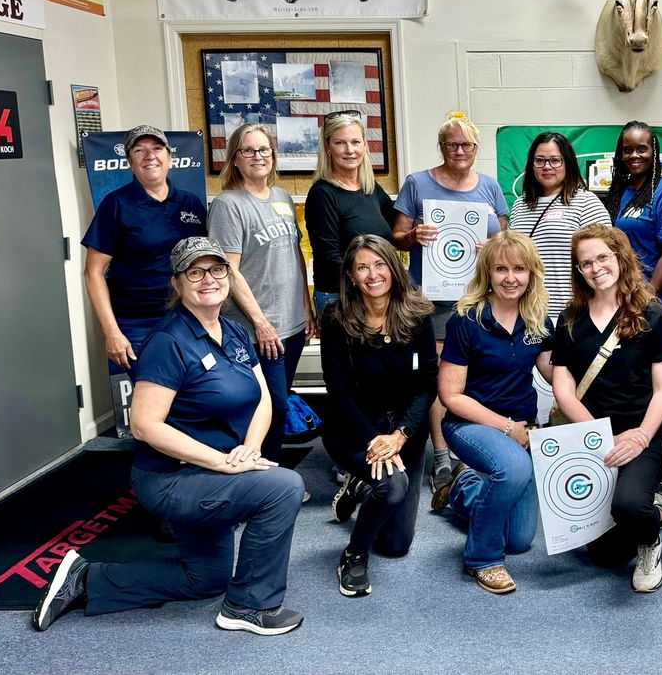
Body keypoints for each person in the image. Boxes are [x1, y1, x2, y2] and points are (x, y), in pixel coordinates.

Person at [34, 237, 305, 635]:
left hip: (216, 471)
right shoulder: (168, 341)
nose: (208, 279)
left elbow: (263, 397)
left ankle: (86, 580)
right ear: (177, 284)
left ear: (228, 277)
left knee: (206, 580)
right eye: (195, 272)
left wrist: (248, 449)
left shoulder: (232, 330)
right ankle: (248, 607)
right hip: (172, 478)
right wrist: (222, 462)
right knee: (283, 487)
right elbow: (145, 424)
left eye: (217, 269)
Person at [550, 224, 662, 592]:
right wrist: (597, 435)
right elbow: (563, 386)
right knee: (606, 555)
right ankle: (658, 507)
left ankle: (651, 540)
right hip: (591, 435)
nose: (595, 268)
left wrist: (640, 437)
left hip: (642, 433)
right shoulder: (571, 317)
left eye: (603, 257)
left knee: (629, 507)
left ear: (620, 258)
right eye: (585, 263)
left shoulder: (651, 313)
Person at [391, 111, 509, 499]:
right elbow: (395, 238)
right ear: (441, 147)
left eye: (467, 145)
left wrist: (491, 246)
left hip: (481, 298)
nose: (460, 150)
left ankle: (473, 449)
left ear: (476, 149)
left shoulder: (490, 187)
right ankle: (441, 454)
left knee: (479, 375)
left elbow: (506, 241)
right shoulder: (417, 182)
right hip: (436, 299)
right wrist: (413, 234)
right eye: (452, 144)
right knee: (445, 378)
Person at [434, 231, 553, 594]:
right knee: (513, 468)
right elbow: (450, 395)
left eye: (519, 269)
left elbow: (553, 372)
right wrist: (507, 428)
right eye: (501, 268)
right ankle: (482, 559)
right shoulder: (465, 320)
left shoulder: (538, 320)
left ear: (531, 273)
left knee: (519, 540)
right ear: (487, 272)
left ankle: (463, 487)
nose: (510, 278)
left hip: (520, 426)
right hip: (469, 423)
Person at [321, 235, 437, 596]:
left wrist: (399, 435)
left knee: (396, 545)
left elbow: (427, 384)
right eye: (362, 267)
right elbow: (336, 389)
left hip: (405, 432)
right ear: (351, 276)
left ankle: (359, 487)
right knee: (392, 486)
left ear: (393, 267)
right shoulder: (336, 318)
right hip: (355, 431)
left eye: (379, 264)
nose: (372, 274)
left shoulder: (417, 314)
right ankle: (353, 555)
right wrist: (374, 440)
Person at [208, 123, 315, 462]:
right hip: (258, 330)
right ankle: (263, 476)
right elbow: (229, 271)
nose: (258, 156)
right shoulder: (228, 205)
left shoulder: (282, 197)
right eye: (248, 150)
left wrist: (306, 307)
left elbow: (296, 254)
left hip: (292, 323)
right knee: (269, 406)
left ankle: (267, 471)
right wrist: (260, 322)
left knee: (277, 404)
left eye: (264, 150)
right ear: (235, 159)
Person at [82, 125, 209, 374]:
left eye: (157, 148)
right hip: (136, 325)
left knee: (193, 399)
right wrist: (112, 332)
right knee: (147, 404)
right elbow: (92, 272)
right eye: (139, 150)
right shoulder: (116, 204)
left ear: (169, 158)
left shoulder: (190, 203)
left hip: (188, 319)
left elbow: (207, 264)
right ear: (130, 162)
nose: (149, 155)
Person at [508, 131, 611, 321]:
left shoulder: (586, 202)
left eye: (555, 160)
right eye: (540, 160)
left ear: (568, 163)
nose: (547, 166)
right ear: (532, 164)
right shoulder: (519, 205)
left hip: (572, 313)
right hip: (526, 313)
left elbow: (607, 263)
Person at [304, 111, 397, 316]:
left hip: (374, 293)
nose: (349, 150)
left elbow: (398, 228)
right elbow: (330, 258)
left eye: (355, 142)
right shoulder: (322, 193)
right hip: (340, 298)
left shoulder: (371, 188)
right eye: (340, 143)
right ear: (327, 147)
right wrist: (368, 282)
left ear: (365, 145)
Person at [602, 121, 662, 323]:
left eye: (642, 149)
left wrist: (647, 299)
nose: (634, 155)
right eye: (628, 150)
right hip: (621, 295)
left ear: (654, 152)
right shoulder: (619, 191)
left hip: (653, 297)